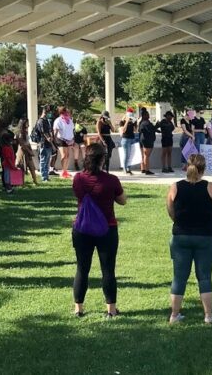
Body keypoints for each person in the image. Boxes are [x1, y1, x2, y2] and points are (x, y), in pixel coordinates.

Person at [166, 154, 212, 324]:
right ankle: (208, 316)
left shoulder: (175, 187)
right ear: (203, 169)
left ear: (187, 167)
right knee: (205, 277)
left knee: (179, 277)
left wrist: (181, 222)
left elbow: (170, 211)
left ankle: (174, 315)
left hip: (181, 235)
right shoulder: (211, 187)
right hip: (205, 236)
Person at [72, 143, 127, 318]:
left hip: (82, 228)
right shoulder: (111, 180)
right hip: (107, 229)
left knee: (82, 268)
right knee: (108, 270)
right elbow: (122, 200)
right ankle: (111, 309)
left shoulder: (78, 179)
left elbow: (78, 195)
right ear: (103, 159)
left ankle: (78, 308)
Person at [33, 106, 56, 183]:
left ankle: (46, 176)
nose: (49, 113)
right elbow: (43, 132)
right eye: (48, 112)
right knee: (43, 160)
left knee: (47, 161)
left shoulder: (46, 121)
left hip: (48, 143)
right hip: (43, 143)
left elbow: (48, 131)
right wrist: (49, 139)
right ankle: (43, 177)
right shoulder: (41, 121)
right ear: (44, 112)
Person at [52, 106, 76, 178]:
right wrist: (54, 141)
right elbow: (55, 131)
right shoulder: (58, 120)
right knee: (64, 155)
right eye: (67, 112)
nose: (69, 113)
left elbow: (72, 130)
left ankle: (65, 171)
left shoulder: (70, 120)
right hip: (61, 139)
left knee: (68, 156)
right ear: (63, 112)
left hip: (69, 140)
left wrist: (72, 139)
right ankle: (63, 172)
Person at [14, 119, 40, 185]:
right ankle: (21, 182)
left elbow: (27, 143)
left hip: (28, 150)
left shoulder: (26, 132)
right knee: (22, 167)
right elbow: (22, 145)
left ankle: (35, 181)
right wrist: (30, 151)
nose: (28, 125)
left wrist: (30, 150)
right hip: (22, 151)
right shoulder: (20, 133)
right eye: (27, 123)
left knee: (32, 167)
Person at [138, 109, 156, 175]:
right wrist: (156, 126)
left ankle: (143, 168)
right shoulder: (146, 123)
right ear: (144, 115)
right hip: (147, 140)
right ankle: (147, 170)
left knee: (143, 155)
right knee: (146, 155)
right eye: (147, 114)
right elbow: (150, 130)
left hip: (142, 140)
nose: (149, 115)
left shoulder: (141, 122)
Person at [119, 109, 137, 175]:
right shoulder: (122, 121)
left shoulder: (132, 121)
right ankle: (125, 169)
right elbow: (123, 130)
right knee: (126, 155)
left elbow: (135, 130)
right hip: (125, 139)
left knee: (131, 155)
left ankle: (129, 168)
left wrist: (135, 122)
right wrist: (126, 122)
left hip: (132, 139)